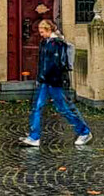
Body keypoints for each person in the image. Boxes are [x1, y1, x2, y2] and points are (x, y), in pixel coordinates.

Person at [20, 19, 92, 147]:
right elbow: (42, 63)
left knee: (64, 108)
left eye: (42, 32)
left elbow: (56, 65)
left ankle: (84, 132)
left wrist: (43, 77)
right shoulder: (45, 42)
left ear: (49, 30)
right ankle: (34, 136)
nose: (41, 34)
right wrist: (40, 78)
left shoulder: (58, 44)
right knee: (37, 106)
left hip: (55, 82)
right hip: (45, 81)